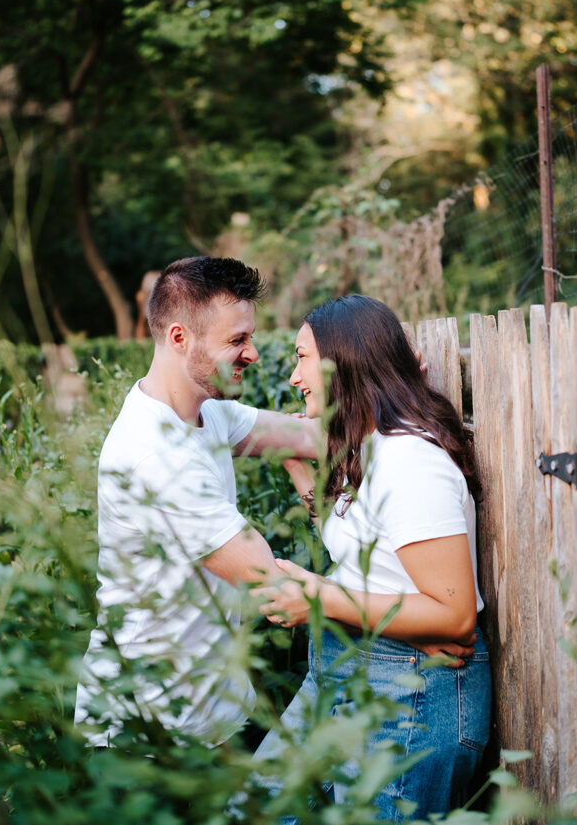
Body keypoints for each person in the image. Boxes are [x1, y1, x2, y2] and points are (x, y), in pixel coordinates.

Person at [74, 258, 475, 748]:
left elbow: (310, 435)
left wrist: (381, 382)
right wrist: (415, 625)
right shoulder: (154, 456)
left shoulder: (207, 413)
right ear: (180, 338)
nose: (254, 354)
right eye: (236, 341)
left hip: (212, 709)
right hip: (147, 729)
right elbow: (275, 585)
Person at [253, 294, 492, 825]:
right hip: (350, 666)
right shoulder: (370, 449)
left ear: (344, 363)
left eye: (302, 358)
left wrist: (316, 598)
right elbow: (360, 556)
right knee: (255, 821)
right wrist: (298, 469)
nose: (292, 376)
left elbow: (454, 613)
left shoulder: (410, 462)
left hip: (411, 688)